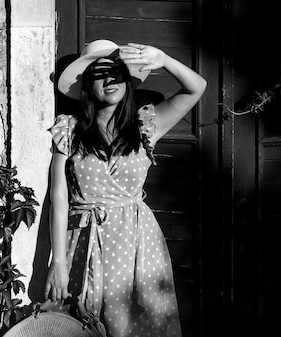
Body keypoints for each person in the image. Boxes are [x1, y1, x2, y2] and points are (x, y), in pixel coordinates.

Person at [44, 39, 207, 337]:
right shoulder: (69, 129)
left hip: (137, 243)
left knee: (139, 326)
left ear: (127, 80)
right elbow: (59, 198)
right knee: (83, 326)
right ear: (85, 86)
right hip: (83, 241)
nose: (111, 80)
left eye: (117, 72)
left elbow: (196, 87)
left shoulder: (146, 126)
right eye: (100, 74)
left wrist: (164, 58)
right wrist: (57, 263)